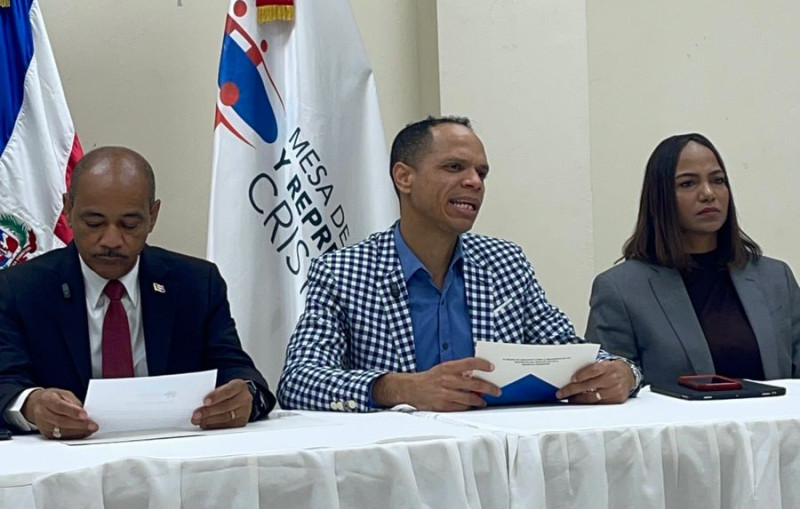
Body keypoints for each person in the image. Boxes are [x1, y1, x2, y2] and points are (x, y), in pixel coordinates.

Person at [277, 116, 639, 412]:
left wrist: (622, 372)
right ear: (404, 177)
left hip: (498, 459)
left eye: (481, 173)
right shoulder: (342, 272)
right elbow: (298, 381)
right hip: (393, 469)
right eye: (454, 167)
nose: (474, 182)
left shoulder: (505, 263)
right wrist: (402, 389)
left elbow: (568, 350)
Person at [0, 146, 275, 438]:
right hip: (65, 460)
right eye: (93, 223)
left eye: (130, 224)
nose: (111, 240)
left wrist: (244, 396)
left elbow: (238, 372)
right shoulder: (20, 289)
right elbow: (5, 382)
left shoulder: (197, 284)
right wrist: (31, 404)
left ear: (153, 216)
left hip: (174, 456)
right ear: (68, 211)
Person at [586, 132, 800, 386]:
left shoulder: (775, 278)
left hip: (774, 425)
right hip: (678, 426)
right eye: (688, 184)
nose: (708, 193)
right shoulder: (621, 290)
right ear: (660, 198)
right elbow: (609, 389)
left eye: (718, 180)